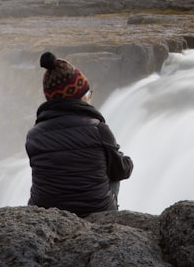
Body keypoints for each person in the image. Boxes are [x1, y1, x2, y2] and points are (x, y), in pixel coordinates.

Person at [26, 51, 133, 217]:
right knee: (112, 172)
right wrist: (127, 161)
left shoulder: (34, 135)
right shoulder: (99, 129)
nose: (90, 98)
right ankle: (111, 219)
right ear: (80, 97)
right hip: (95, 211)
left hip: (45, 213)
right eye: (88, 93)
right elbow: (121, 171)